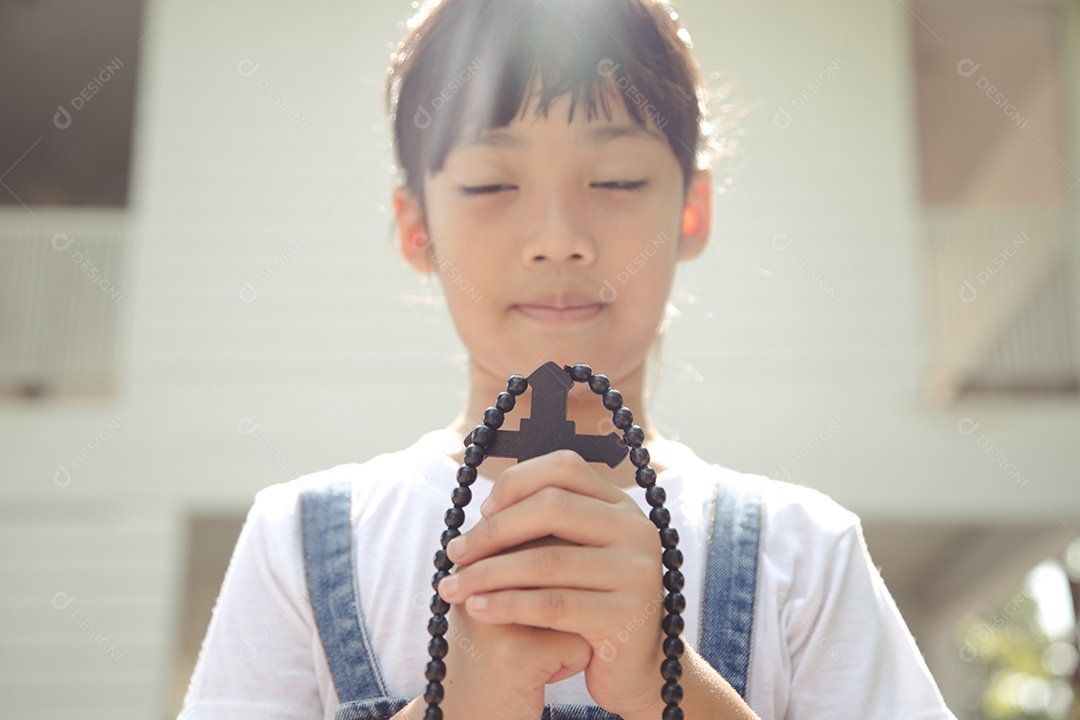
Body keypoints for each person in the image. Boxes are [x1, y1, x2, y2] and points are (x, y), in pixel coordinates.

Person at [178, 1, 958, 718]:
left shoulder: (804, 554)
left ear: (692, 210)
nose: (558, 236)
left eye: (616, 178)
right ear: (416, 227)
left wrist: (674, 681)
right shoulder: (302, 544)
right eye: (490, 184)